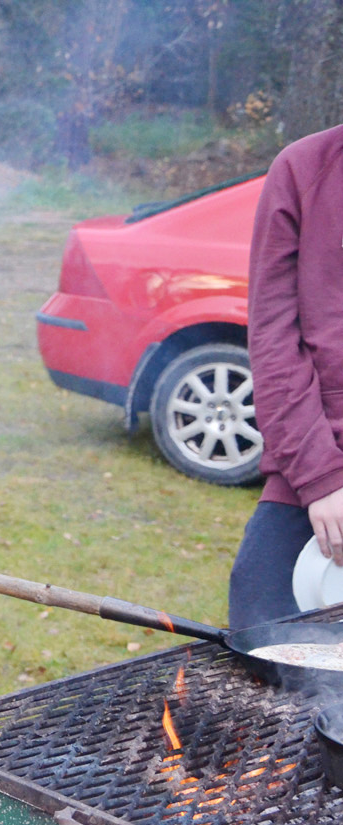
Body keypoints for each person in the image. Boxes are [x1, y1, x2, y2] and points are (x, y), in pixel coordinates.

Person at [229, 123, 343, 630]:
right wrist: (322, 480)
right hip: (315, 465)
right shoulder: (304, 168)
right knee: (259, 627)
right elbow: (273, 341)